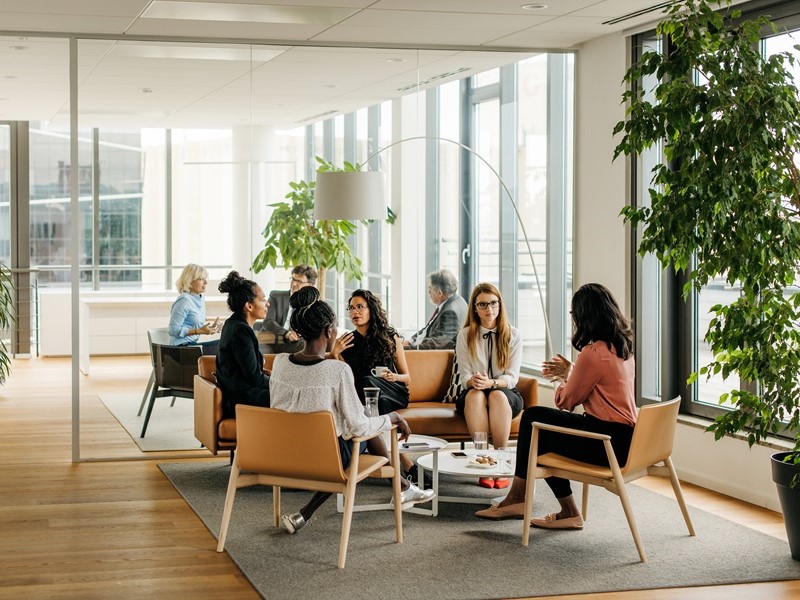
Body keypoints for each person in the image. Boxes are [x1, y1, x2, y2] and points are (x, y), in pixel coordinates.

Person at [270, 286, 435, 534]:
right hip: (326, 457)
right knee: (360, 436)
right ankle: (402, 486)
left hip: (282, 455)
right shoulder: (338, 369)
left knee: (353, 430)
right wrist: (390, 417)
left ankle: (305, 514)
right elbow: (358, 426)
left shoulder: (279, 362)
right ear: (329, 331)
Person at [474, 283, 637, 529]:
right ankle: (557, 508)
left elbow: (565, 401)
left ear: (586, 315)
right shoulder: (622, 348)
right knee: (538, 425)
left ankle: (523, 498)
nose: (573, 319)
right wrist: (574, 371)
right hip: (625, 440)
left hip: (606, 444)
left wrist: (564, 378)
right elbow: (601, 385)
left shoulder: (593, 353)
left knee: (534, 420)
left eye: (574, 314)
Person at [455, 282, 523, 489]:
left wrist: (492, 383)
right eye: (482, 305)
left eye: (493, 303)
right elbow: (463, 376)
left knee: (497, 396)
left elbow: (512, 378)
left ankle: (500, 461)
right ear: (475, 308)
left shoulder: (513, 335)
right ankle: (482, 459)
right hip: (473, 392)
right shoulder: (465, 335)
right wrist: (474, 381)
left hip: (506, 393)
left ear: (500, 305)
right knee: (476, 395)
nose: (489, 309)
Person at [215, 271, 271, 418]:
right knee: (293, 395)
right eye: (263, 299)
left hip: (239, 393)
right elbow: (255, 378)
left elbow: (248, 370)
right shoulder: (241, 331)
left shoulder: (232, 323)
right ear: (249, 306)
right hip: (241, 399)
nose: (267, 304)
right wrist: (278, 382)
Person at [256, 264, 317, 353]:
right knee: (261, 357)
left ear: (310, 285)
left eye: (299, 281)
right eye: (293, 279)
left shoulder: (311, 305)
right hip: (270, 341)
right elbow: (268, 322)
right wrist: (287, 334)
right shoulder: (275, 296)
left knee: (308, 346)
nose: (294, 284)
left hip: (292, 344)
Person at [404, 269, 468, 350]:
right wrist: (411, 340)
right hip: (421, 343)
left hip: (427, 355)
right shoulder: (456, 299)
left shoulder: (451, 312)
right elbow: (428, 328)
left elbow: (435, 345)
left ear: (440, 293)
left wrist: (406, 349)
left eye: (430, 288)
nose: (428, 291)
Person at [168, 263, 221, 355]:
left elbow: (194, 324)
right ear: (189, 281)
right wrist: (198, 331)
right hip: (181, 349)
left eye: (205, 279)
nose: (206, 282)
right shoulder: (184, 300)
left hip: (192, 346)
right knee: (227, 344)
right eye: (201, 279)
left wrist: (211, 328)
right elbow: (173, 330)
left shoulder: (199, 298)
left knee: (228, 343)